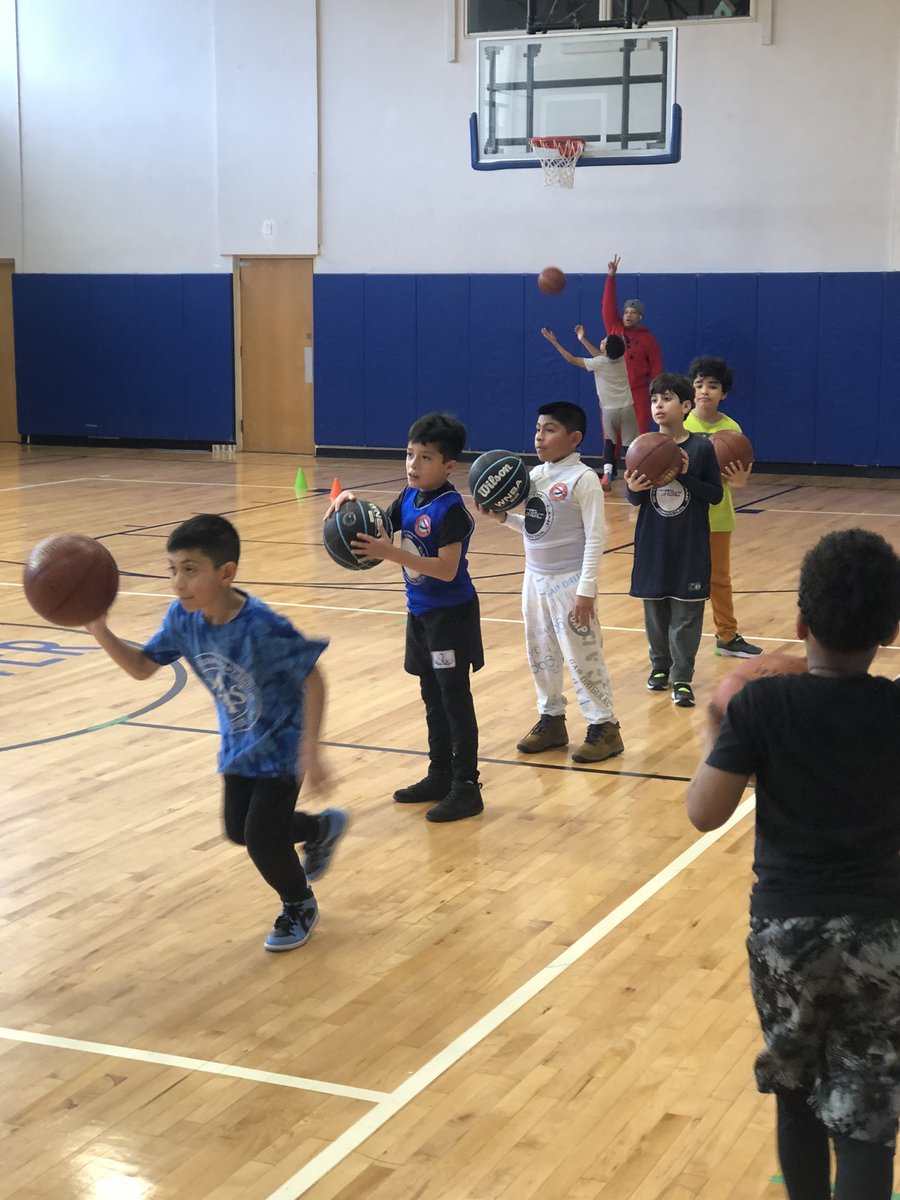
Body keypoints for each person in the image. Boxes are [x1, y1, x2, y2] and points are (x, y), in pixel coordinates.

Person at [686, 528, 900, 1200]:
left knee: (797, 1087)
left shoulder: (763, 705)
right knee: (866, 1115)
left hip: (787, 934)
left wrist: (718, 735)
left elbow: (704, 813)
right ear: (891, 632)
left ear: (801, 622)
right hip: (883, 935)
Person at [85, 514, 348, 953]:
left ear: (226, 574)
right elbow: (142, 667)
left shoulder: (263, 627)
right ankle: (319, 829)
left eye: (190, 569)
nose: (178, 582)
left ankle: (298, 904)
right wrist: (99, 628)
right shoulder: (181, 620)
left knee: (263, 839)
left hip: (282, 745)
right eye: (172, 569)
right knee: (239, 831)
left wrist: (312, 750)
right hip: (239, 745)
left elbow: (313, 676)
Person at [326, 412, 484, 823]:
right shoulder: (408, 498)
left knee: (454, 699)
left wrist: (390, 552)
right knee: (432, 695)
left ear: (449, 466)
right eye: (410, 454)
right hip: (420, 614)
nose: (413, 465)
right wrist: (349, 502)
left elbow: (446, 569)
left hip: (451, 616)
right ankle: (440, 773)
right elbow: (379, 523)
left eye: (425, 458)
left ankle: (467, 787)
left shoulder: (452, 510)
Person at [482, 401, 623, 763]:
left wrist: (586, 590)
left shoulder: (584, 479)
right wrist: (503, 518)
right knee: (540, 654)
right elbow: (534, 526)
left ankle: (604, 727)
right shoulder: (534, 478)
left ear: (574, 438)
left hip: (571, 582)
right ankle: (552, 719)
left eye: (549, 430)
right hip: (535, 579)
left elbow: (596, 538)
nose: (539, 437)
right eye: (538, 429)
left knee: (582, 656)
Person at [625, 373, 723, 708]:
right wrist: (633, 490)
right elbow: (636, 499)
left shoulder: (701, 448)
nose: (658, 405)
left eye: (666, 399)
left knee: (686, 614)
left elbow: (714, 495)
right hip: (653, 543)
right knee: (654, 612)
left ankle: (682, 677)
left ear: (685, 406)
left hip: (690, 544)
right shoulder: (642, 446)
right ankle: (660, 667)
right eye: (654, 400)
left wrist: (683, 474)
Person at [683, 355, 763, 658]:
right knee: (683, 579)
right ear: (692, 389)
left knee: (719, 578)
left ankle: (727, 636)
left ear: (723, 393)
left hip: (718, 515)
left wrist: (740, 482)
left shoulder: (732, 429)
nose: (705, 390)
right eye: (700, 384)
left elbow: (736, 474)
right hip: (686, 516)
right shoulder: (682, 424)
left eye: (713, 386)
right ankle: (673, 638)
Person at [540, 325, 637, 492]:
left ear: (606, 349)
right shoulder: (620, 360)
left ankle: (607, 475)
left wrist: (554, 342)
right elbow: (601, 356)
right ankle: (636, 474)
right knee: (629, 445)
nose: (601, 340)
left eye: (604, 341)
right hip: (627, 407)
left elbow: (571, 359)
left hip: (609, 410)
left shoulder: (599, 363)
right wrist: (582, 339)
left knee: (610, 442)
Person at [602, 253, 663, 435]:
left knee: (639, 435)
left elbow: (656, 369)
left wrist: (658, 393)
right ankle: (610, 464)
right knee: (612, 436)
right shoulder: (614, 327)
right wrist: (611, 277)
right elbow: (608, 306)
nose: (628, 315)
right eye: (626, 311)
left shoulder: (648, 340)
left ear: (640, 317)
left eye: (633, 312)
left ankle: (638, 464)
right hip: (614, 391)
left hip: (638, 392)